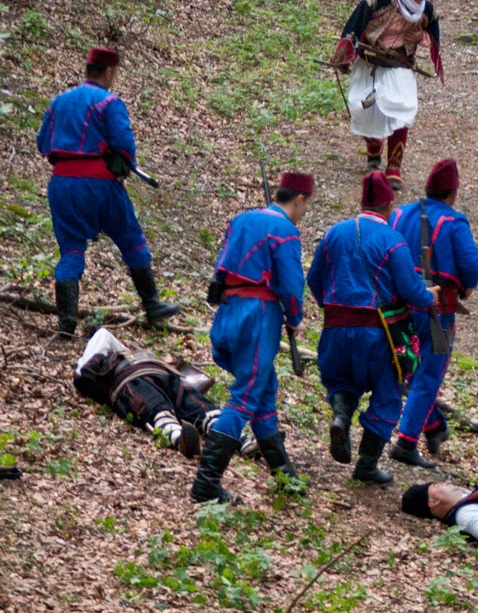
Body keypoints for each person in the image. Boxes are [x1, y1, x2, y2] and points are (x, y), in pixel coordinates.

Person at [37, 47, 181, 338]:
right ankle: (152, 305)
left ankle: (66, 324)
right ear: (109, 71)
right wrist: (124, 162)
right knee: (131, 239)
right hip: (99, 184)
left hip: (62, 185)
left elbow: (43, 143)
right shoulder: (109, 102)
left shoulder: (58, 101)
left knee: (71, 248)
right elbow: (124, 143)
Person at [306, 172, 439, 485]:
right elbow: (411, 291)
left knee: (342, 381)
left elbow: (313, 279)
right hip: (379, 336)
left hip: (335, 330)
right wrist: (430, 297)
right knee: (387, 395)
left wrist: (333, 308)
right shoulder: (393, 241)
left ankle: (341, 417)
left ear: (361, 201)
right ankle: (366, 466)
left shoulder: (333, 233)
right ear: (389, 205)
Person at [191, 173, 314, 503]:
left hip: (228, 313)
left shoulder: (241, 220)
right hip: (257, 317)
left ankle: (285, 477)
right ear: (299, 199)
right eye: (306, 205)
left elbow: (220, 269)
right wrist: (295, 317)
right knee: (245, 397)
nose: (304, 212)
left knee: (262, 391)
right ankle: (206, 483)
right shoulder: (285, 230)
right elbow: (291, 283)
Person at [386, 159, 478, 467]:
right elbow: (471, 267)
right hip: (434, 309)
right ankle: (406, 441)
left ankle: (434, 425)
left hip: (395, 305)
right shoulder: (454, 222)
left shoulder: (399, 213)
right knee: (427, 373)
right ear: (453, 192)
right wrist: (466, 287)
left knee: (408, 370)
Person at [331, 0, 444, 188]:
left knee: (402, 110)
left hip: (400, 65)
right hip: (370, 63)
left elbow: (433, 36)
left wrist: (420, 37)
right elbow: (353, 28)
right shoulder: (377, 2)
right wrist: (344, 56)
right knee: (363, 109)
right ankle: (374, 147)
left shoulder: (427, 11)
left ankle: (394, 167)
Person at [73, 328, 217, 459]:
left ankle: (219, 430)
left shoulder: (118, 355)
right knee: (160, 407)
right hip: (134, 378)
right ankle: (184, 438)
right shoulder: (101, 366)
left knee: (192, 404)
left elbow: (103, 338)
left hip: (157, 374)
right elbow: (84, 371)